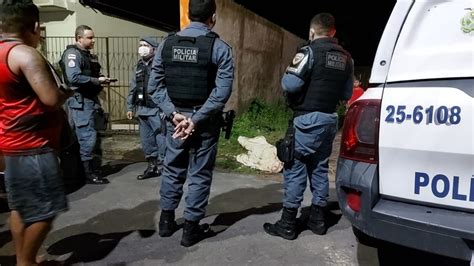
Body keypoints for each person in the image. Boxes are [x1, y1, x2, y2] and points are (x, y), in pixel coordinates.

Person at [148, 0, 234, 247]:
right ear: (213, 17)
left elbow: (154, 87)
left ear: (187, 14)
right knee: (200, 173)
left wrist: (173, 114)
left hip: (175, 121)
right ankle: (190, 231)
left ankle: (166, 223)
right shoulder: (220, 47)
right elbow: (222, 92)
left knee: (173, 168)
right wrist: (195, 120)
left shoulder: (166, 44)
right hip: (204, 122)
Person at [264, 13, 353, 240]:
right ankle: (318, 220)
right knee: (320, 168)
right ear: (333, 32)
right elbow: (346, 93)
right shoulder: (346, 58)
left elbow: (290, 84)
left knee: (294, 168)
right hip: (330, 121)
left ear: (312, 32)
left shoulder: (309, 51)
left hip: (306, 121)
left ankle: (287, 224)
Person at [0, 1, 74, 264]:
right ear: (34, 27)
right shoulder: (25, 55)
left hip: (11, 144)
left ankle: (23, 258)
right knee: (46, 211)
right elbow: (51, 98)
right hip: (33, 146)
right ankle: (26, 262)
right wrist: (67, 90)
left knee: (20, 208)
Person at [59, 25, 112, 185]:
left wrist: (100, 79)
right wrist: (96, 81)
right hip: (80, 101)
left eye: (92, 37)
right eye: (89, 37)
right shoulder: (73, 55)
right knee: (87, 136)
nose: (93, 40)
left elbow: (91, 73)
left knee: (87, 135)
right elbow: (73, 77)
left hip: (89, 99)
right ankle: (87, 173)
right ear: (78, 38)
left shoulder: (87, 55)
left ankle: (81, 170)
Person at [126, 37, 166, 180]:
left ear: (154, 49)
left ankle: (163, 167)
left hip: (156, 109)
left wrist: (166, 108)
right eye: (141, 45)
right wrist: (130, 107)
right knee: (146, 140)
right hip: (142, 108)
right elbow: (133, 88)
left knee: (161, 138)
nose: (142, 48)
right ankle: (151, 167)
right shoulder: (139, 65)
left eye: (145, 45)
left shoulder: (160, 64)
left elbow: (166, 87)